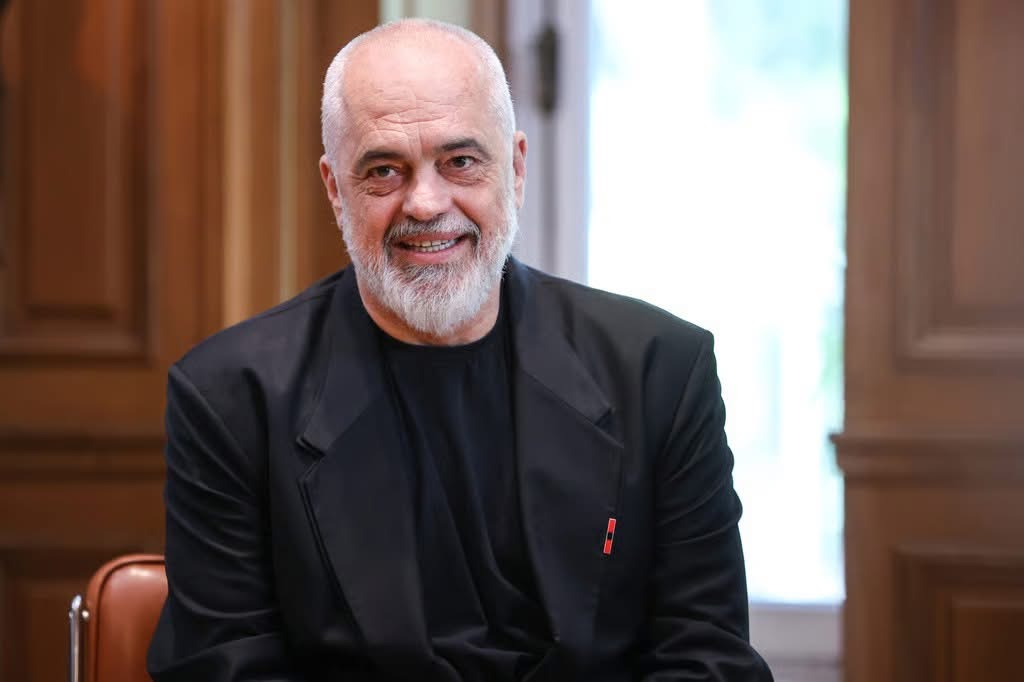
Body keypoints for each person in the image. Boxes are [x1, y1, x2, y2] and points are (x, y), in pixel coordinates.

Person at [147, 18, 772, 682]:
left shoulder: (660, 373)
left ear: (517, 168)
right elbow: (225, 670)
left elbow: (707, 658)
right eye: (385, 170)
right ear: (335, 189)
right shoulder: (229, 400)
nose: (425, 203)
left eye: (461, 162)